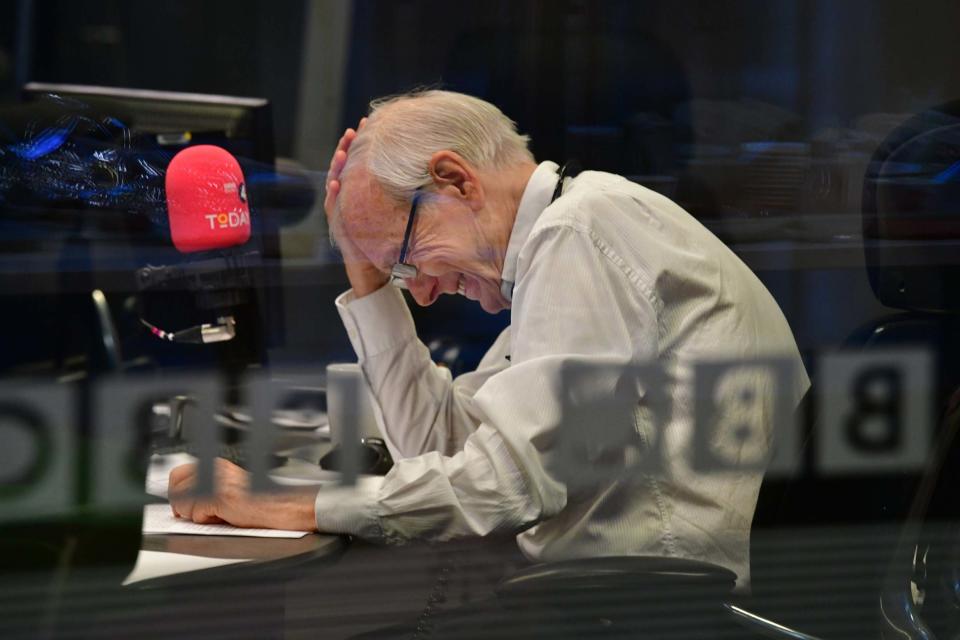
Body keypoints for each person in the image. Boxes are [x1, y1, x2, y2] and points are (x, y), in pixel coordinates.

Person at [169, 90, 809, 588]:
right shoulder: (565, 238)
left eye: (407, 257)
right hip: (603, 598)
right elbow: (442, 450)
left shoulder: (580, 231)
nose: (418, 292)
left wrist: (300, 505)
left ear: (455, 180)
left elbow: (504, 485)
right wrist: (370, 282)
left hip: (642, 606)